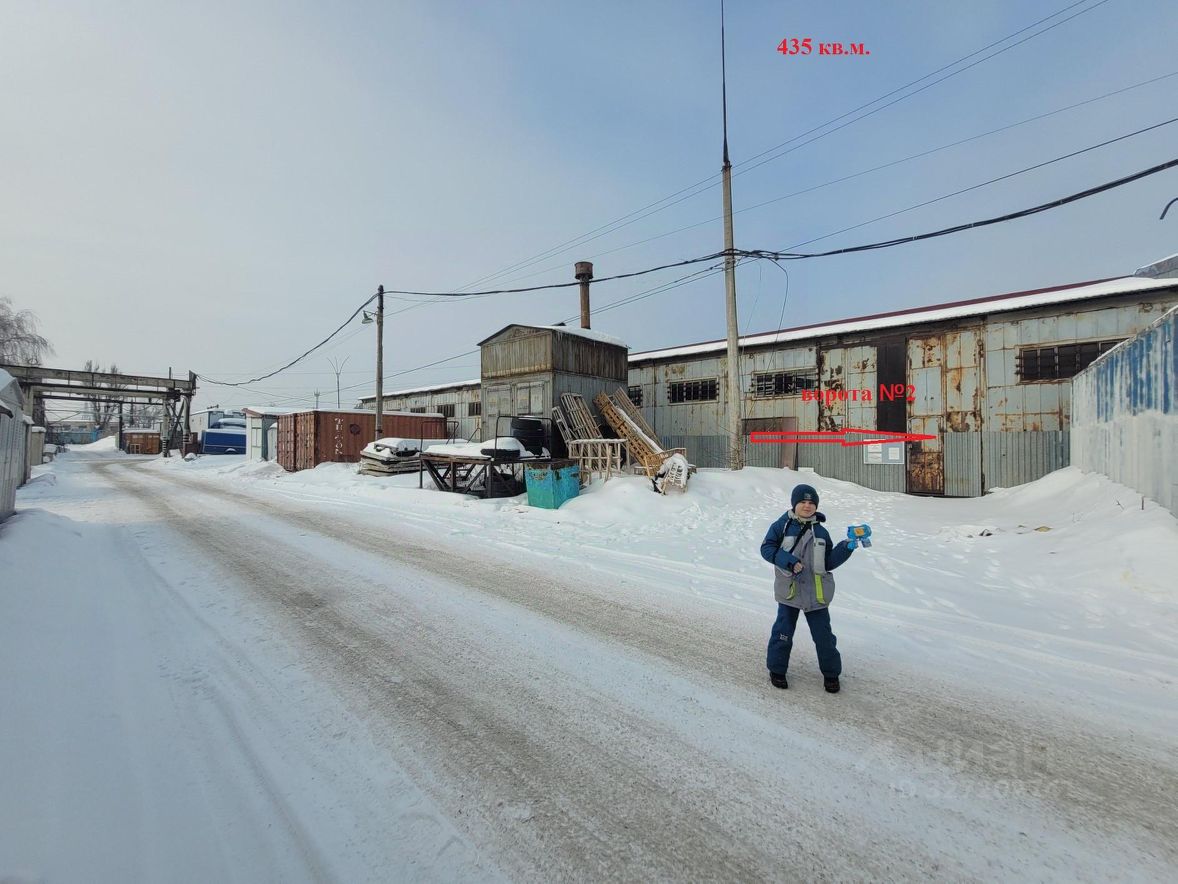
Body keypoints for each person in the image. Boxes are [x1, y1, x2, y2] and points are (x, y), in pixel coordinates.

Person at [759, 483, 863, 693]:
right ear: (794, 504)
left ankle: (831, 674)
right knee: (783, 633)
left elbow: (828, 562)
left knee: (824, 637)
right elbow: (767, 548)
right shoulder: (782, 526)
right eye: (802, 502)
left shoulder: (821, 531)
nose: (807, 506)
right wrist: (789, 561)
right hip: (790, 590)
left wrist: (847, 547)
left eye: (811, 503)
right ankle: (777, 670)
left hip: (816, 593)